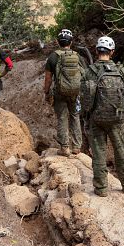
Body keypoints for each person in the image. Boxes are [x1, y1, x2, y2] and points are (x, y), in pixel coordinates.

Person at [80, 36, 124, 196]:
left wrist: (85, 118)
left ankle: (102, 188)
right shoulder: (121, 71)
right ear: (112, 52)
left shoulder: (90, 71)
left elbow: (84, 98)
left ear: (97, 51)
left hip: (96, 119)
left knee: (99, 153)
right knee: (121, 152)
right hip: (118, 118)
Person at [44, 29, 83, 157]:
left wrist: (46, 92)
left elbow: (48, 78)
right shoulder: (77, 56)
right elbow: (84, 74)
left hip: (60, 92)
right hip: (75, 92)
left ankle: (64, 148)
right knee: (75, 116)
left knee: (62, 117)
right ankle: (77, 147)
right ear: (71, 42)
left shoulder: (53, 57)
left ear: (57, 41)